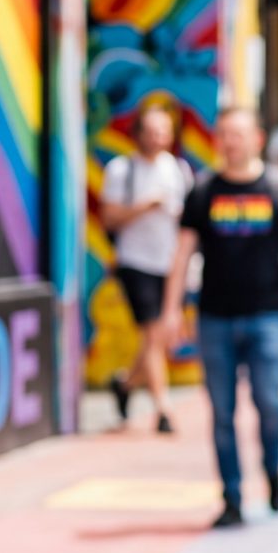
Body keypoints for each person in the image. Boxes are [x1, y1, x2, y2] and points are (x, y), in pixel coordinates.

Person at [161, 108, 278, 528]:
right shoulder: (203, 191)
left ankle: (272, 470)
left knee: (268, 402)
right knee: (221, 412)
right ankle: (231, 497)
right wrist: (171, 310)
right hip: (214, 317)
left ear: (258, 139)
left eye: (238, 134)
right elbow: (182, 255)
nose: (230, 141)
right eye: (224, 134)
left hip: (268, 315)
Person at [99, 106, 192, 434]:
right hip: (136, 262)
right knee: (153, 333)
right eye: (150, 131)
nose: (157, 139)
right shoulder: (122, 170)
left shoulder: (179, 170)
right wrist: (145, 206)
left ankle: (125, 384)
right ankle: (163, 409)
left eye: (163, 132)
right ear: (137, 134)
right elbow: (109, 218)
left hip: (170, 263)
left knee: (160, 339)